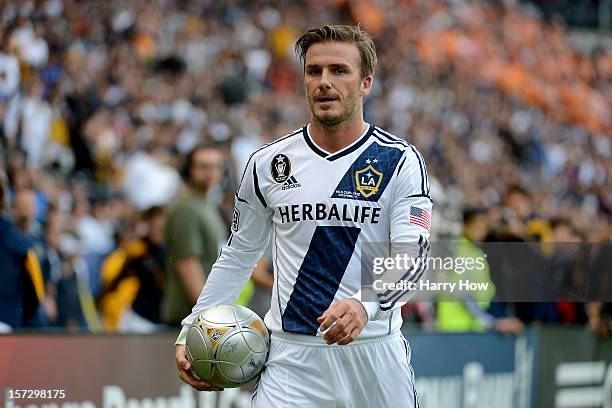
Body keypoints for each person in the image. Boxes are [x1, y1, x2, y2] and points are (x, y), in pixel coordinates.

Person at [175, 25, 432, 407]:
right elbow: (238, 254)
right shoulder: (268, 164)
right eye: (314, 71)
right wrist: (190, 329)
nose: (324, 82)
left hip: (374, 357)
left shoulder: (399, 161)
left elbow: (414, 258)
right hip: (291, 362)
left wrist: (365, 303)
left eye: (338, 71)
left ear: (365, 84)